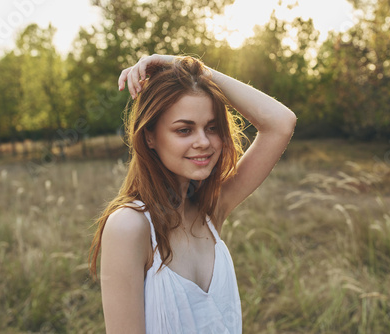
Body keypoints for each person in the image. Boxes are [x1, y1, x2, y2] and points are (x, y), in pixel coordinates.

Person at [89, 54, 296, 333]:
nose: (203, 142)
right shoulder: (130, 226)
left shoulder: (211, 209)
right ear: (150, 136)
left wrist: (194, 69)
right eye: (184, 130)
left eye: (211, 128)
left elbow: (281, 122)